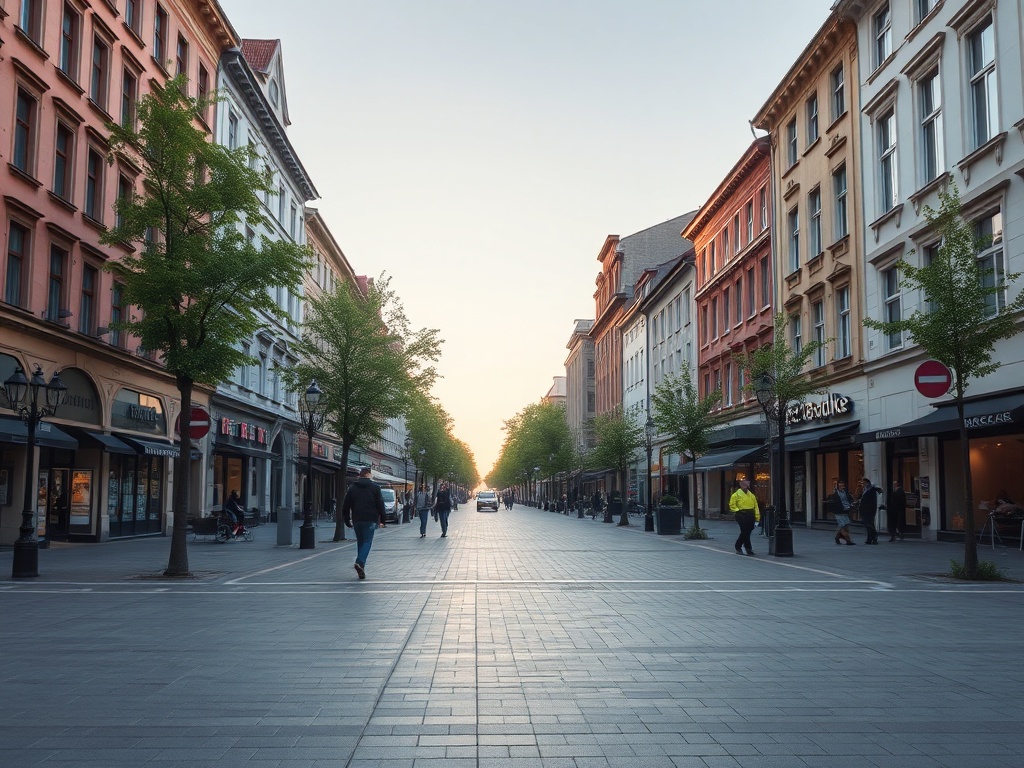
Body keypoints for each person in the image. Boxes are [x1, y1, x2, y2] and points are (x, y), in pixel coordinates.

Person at [342, 466, 386, 579]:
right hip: (370, 518)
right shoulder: (375, 488)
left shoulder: (352, 488)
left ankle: (361, 567)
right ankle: (360, 561)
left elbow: (346, 505)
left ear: (360, 475)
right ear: (369, 475)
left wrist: (346, 519)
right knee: (367, 541)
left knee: (360, 541)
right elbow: (380, 504)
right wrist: (383, 518)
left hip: (357, 518)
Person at [728, 478, 759, 556]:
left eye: (747, 483)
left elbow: (756, 506)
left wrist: (757, 517)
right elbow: (732, 505)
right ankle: (741, 547)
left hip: (750, 513)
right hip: (741, 514)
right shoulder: (736, 495)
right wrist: (737, 510)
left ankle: (746, 548)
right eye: (744, 484)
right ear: (741, 484)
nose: (746, 485)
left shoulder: (751, 495)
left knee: (748, 531)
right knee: (745, 530)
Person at [829, 480, 856, 545]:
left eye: (843, 485)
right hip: (839, 511)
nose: (842, 487)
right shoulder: (835, 493)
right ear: (838, 486)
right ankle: (848, 540)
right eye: (840, 485)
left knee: (845, 525)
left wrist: (851, 503)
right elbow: (834, 502)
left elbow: (849, 499)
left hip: (846, 510)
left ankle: (837, 537)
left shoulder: (846, 492)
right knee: (842, 526)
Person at [858, 477, 882, 545]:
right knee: (867, 524)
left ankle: (874, 537)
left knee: (869, 524)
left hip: (869, 510)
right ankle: (869, 538)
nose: (863, 484)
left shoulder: (871, 490)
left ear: (868, 483)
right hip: (864, 510)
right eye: (863, 483)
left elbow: (873, 500)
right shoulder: (865, 489)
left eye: (864, 483)